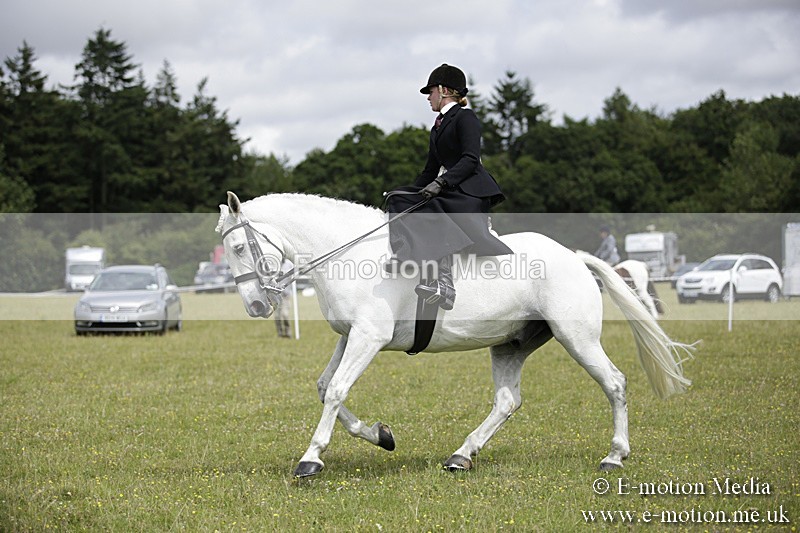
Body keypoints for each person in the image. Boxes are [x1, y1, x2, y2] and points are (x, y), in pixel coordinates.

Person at [384, 63, 513, 310]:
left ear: (444, 90)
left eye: (430, 92)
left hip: (470, 191)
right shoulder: (437, 126)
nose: (428, 97)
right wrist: (405, 193)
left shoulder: (466, 118)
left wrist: (442, 183)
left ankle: (444, 282)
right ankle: (404, 256)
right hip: (450, 188)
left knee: (435, 207)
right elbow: (429, 170)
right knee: (399, 200)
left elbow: (470, 159)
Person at [274, 259, 293, 338]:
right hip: (276, 295)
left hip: (285, 295)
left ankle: (288, 331)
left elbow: (293, 276)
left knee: (285, 314)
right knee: (277, 316)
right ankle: (280, 332)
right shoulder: (274, 264)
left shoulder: (289, 264)